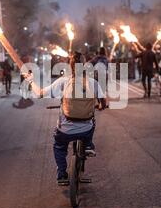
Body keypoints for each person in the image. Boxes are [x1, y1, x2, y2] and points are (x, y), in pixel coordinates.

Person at [28, 52, 107, 185]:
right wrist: (100, 106)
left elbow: (39, 94)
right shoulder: (92, 83)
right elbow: (103, 102)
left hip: (65, 130)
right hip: (85, 129)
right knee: (92, 121)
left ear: (70, 66)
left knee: (59, 147)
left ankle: (62, 175)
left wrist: (30, 80)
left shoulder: (63, 82)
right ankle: (88, 145)